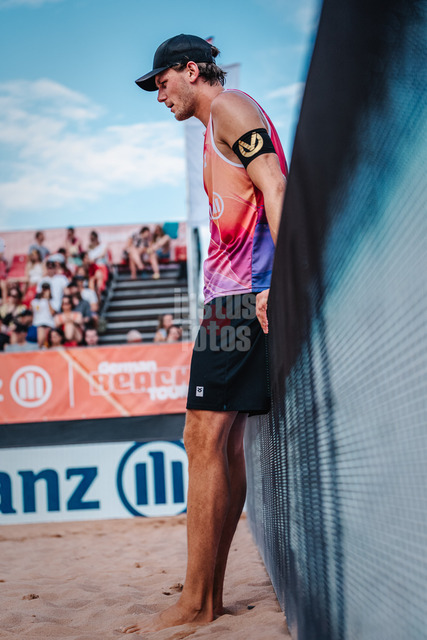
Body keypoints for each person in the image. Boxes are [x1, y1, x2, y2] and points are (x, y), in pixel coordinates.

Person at [121, 35, 287, 635]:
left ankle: (197, 601)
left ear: (191, 70)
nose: (159, 95)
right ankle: (208, 595)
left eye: (162, 82)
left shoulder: (232, 107)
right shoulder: (216, 124)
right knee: (222, 444)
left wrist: (280, 281)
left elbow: (276, 186)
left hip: (242, 299)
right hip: (233, 299)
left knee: (201, 437)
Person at [31, 283, 56, 347]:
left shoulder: (53, 301)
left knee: (48, 342)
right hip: (38, 324)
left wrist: (48, 300)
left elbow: (52, 313)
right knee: (41, 340)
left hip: (49, 323)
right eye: (43, 289)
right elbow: (32, 312)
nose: (45, 291)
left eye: (46, 289)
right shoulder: (35, 301)